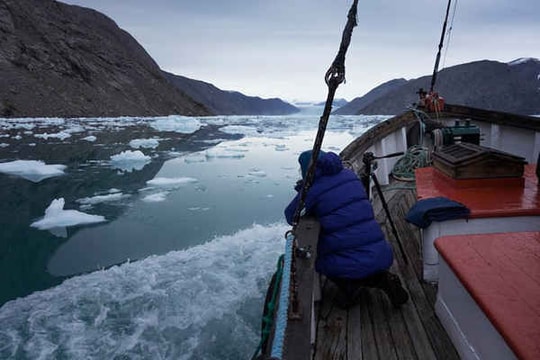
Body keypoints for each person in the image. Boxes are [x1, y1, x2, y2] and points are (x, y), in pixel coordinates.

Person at [284, 150, 409, 308]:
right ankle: (381, 279)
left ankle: (350, 288)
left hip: (350, 260)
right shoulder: (349, 175)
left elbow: (291, 215)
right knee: (356, 249)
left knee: (321, 262)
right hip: (380, 253)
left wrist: (304, 192)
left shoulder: (313, 190)